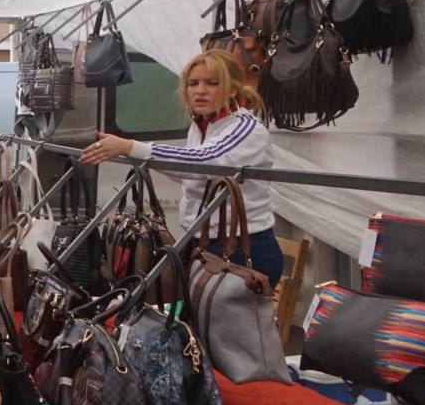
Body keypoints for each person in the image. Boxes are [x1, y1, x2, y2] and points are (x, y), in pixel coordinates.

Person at [80, 47, 282, 288]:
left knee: (233, 325)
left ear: (232, 89)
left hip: (242, 246)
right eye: (193, 83)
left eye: (212, 83)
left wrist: (130, 147)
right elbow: (193, 172)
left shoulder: (246, 128)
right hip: (202, 240)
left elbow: (204, 162)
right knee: (201, 322)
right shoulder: (200, 126)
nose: (200, 91)